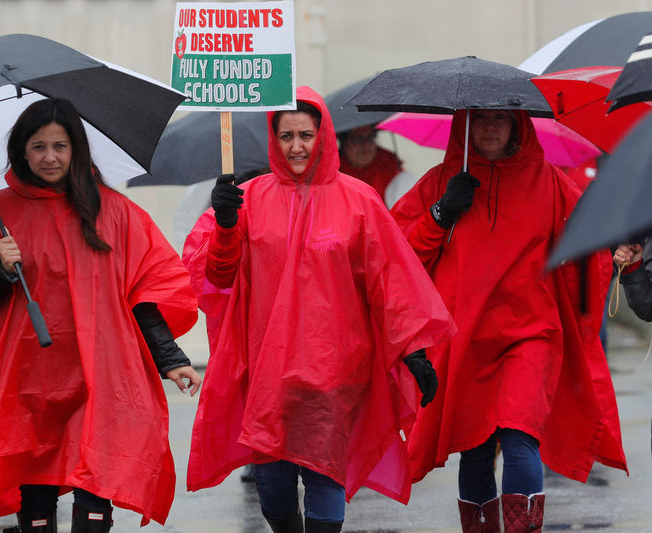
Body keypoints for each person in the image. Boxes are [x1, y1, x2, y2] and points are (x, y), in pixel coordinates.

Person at [182, 86, 456, 533]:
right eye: (286, 135)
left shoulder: (359, 200)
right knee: (272, 487)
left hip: (335, 368)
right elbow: (219, 276)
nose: (296, 146)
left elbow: (390, 281)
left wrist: (414, 352)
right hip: (267, 367)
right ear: (273, 139)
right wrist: (227, 228)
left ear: (323, 135)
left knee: (326, 469)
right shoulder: (248, 198)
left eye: (305, 134)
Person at [0, 98, 201, 533]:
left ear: (76, 149)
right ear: (21, 151)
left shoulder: (114, 213)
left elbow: (146, 289)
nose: (49, 157)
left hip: (100, 372)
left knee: (98, 478)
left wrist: (170, 359)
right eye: (38, 146)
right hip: (27, 375)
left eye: (60, 146)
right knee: (35, 487)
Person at [390, 109, 627, 533]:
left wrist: (621, 247)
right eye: (481, 119)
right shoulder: (441, 182)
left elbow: (588, 244)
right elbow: (397, 256)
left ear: (518, 125)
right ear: (465, 126)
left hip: (532, 335)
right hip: (464, 337)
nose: (491, 128)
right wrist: (441, 213)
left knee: (520, 439)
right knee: (476, 449)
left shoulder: (550, 181)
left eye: (501, 118)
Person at [337, 123, 416, 208]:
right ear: (344, 143)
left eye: (369, 137)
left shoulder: (389, 164)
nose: (365, 145)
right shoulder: (333, 169)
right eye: (357, 139)